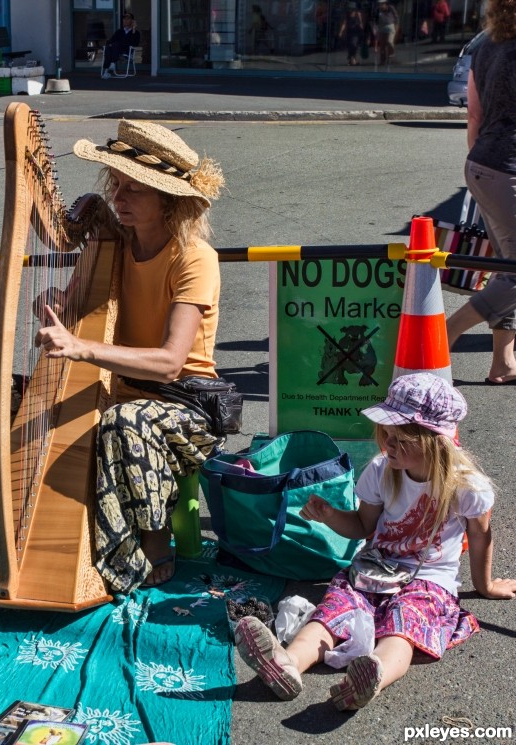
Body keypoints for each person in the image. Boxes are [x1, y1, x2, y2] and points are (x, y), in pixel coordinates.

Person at [0, 120, 225, 593]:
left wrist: (83, 348)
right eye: (116, 184)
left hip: (183, 405)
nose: (120, 197)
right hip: (114, 387)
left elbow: (172, 362)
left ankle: (154, 543)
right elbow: (75, 313)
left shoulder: (194, 258)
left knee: (127, 422)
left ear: (169, 200)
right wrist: (55, 307)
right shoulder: (106, 243)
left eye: (136, 189)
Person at [234, 373, 516, 710]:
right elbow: (361, 525)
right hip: (373, 568)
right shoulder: (383, 470)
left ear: (433, 440)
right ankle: (287, 663)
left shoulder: (468, 487)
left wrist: (485, 585)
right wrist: (330, 515)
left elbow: (481, 536)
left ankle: (373, 676)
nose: (387, 445)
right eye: (386, 435)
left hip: (429, 580)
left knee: (405, 627)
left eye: (400, 439)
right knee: (332, 612)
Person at [446, 0, 516, 385]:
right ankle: (447, 331)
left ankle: (503, 363)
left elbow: (474, 115)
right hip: (508, 168)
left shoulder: (487, 44)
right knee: (515, 268)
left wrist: (479, 169)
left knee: (508, 265)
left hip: (484, 164)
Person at [101, 12, 141, 79]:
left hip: (126, 50)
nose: (125, 20)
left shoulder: (136, 33)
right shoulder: (119, 31)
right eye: (124, 19)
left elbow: (135, 43)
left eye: (128, 19)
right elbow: (111, 40)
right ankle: (108, 69)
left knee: (115, 45)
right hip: (116, 49)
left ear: (132, 21)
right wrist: (109, 44)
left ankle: (109, 67)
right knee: (108, 48)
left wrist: (133, 29)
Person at [374, 0, 399, 65]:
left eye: (382, 4)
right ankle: (382, 60)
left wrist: (396, 26)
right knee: (382, 45)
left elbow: (396, 17)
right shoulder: (378, 10)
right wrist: (376, 28)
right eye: (380, 4)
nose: (381, 5)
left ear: (385, 4)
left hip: (390, 26)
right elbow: (375, 19)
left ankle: (392, 52)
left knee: (389, 41)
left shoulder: (391, 8)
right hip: (381, 27)